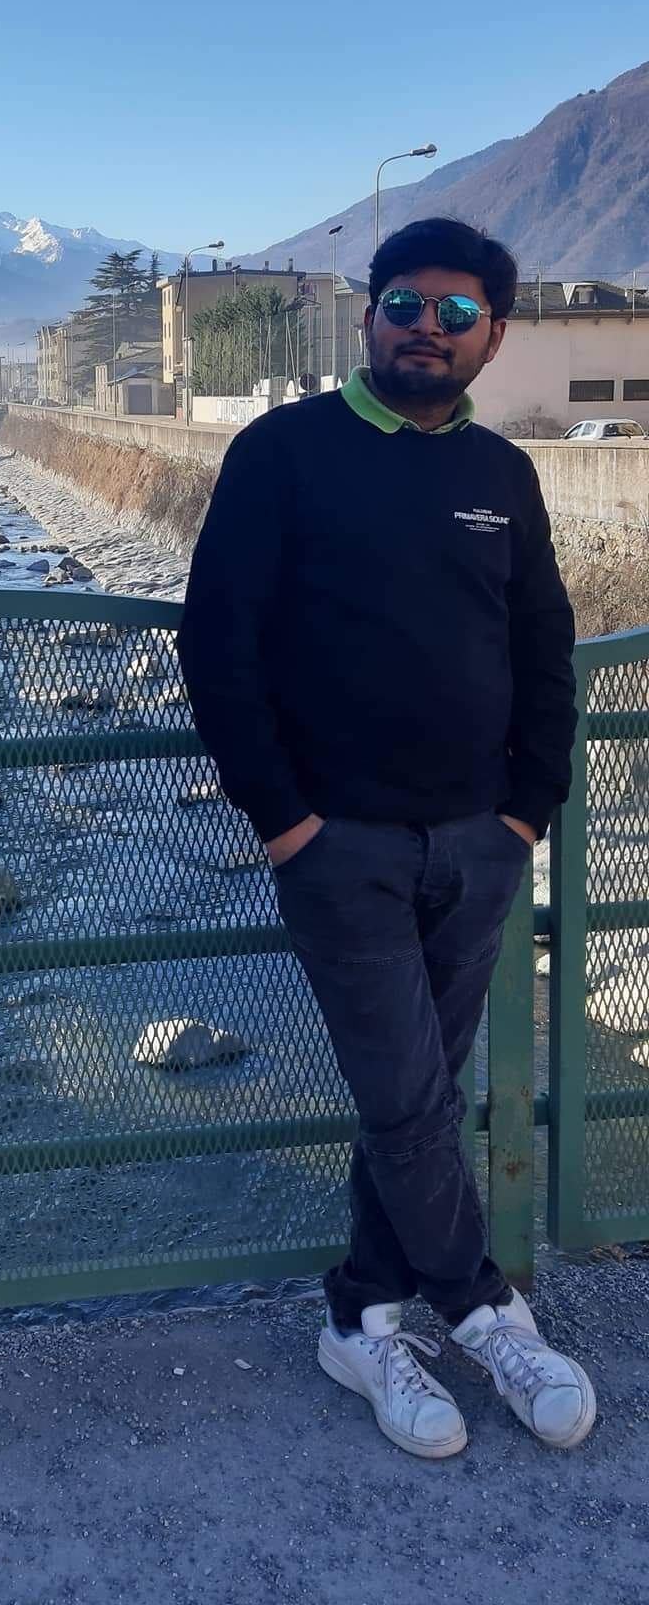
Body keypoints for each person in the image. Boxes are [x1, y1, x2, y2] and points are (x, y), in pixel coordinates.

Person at [177, 217, 595, 1459]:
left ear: (492, 336)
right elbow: (217, 642)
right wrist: (285, 820)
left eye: (456, 313)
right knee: (410, 1096)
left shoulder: (501, 473)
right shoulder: (281, 451)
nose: (427, 327)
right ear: (367, 315)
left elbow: (543, 646)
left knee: (411, 1097)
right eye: (405, 303)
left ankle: (361, 1317)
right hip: (338, 845)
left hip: (477, 840)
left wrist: (525, 808)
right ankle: (481, 1307)